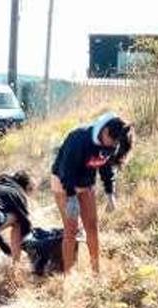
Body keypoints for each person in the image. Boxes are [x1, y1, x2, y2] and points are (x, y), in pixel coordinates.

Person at [50, 112, 133, 274]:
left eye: (115, 144)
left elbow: (106, 167)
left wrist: (110, 193)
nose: (112, 147)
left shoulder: (111, 144)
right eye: (112, 141)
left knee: (92, 227)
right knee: (71, 229)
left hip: (86, 184)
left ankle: (96, 271)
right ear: (105, 131)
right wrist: (71, 197)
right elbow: (66, 170)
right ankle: (68, 274)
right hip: (64, 183)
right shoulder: (79, 139)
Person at [0, 170, 34, 266]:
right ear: (26, 187)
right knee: (18, 220)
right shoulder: (18, 193)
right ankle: (16, 266)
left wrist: (4, 246)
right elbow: (25, 223)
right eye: (31, 189)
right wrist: (31, 248)